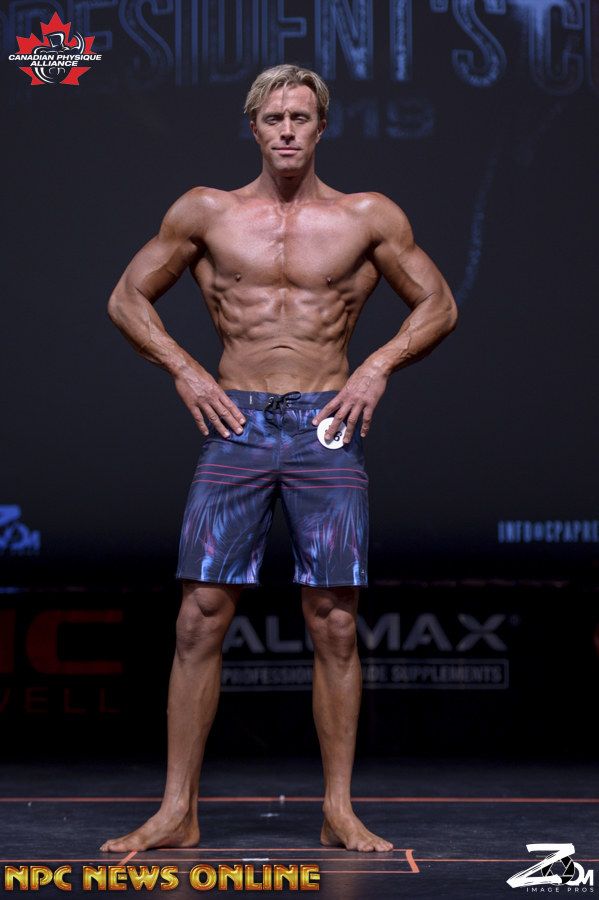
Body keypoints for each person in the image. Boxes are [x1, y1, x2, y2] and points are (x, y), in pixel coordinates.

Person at [100, 64, 457, 854]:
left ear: (321, 126)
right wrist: (186, 370)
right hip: (236, 422)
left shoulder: (366, 216)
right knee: (199, 614)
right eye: (273, 118)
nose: (287, 130)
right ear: (253, 127)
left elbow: (439, 304)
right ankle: (177, 811)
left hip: (325, 426)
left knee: (333, 620)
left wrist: (375, 367)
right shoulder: (206, 211)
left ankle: (338, 810)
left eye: (300, 117)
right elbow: (126, 297)